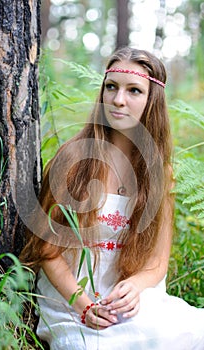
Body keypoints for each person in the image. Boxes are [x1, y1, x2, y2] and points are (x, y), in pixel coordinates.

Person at [20, 47, 204, 350]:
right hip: (72, 297)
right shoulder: (76, 159)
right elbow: (47, 250)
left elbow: (157, 261)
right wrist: (83, 304)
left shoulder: (160, 172)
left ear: (151, 101)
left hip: (127, 297)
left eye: (134, 90)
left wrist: (135, 286)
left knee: (184, 332)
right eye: (111, 87)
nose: (119, 100)